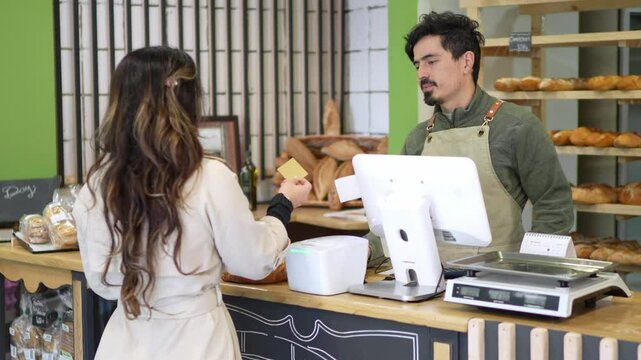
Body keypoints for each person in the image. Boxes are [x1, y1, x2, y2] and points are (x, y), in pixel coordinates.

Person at [72, 46, 311, 359]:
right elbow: (253, 260)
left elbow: (101, 281)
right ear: (187, 100)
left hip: (125, 342)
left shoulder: (98, 184)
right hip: (198, 342)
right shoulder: (210, 176)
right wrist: (283, 206)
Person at [369, 12, 573, 263]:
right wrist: (365, 250)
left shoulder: (517, 127)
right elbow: (397, 212)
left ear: (466, 62)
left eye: (431, 61)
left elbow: (554, 204)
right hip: (431, 281)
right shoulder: (419, 137)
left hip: (499, 281)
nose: (421, 73)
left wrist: (532, 269)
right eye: (417, 64)